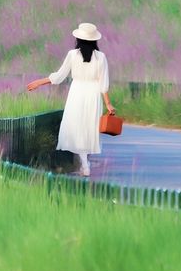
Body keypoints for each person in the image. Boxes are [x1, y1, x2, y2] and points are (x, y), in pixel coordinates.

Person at [27, 22, 115, 177]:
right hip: (93, 95)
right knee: (88, 129)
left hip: (77, 93)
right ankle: (85, 164)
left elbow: (59, 76)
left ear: (78, 39)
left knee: (77, 128)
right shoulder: (101, 57)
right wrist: (108, 103)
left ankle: (84, 164)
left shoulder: (72, 55)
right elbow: (103, 84)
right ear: (95, 40)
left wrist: (39, 82)